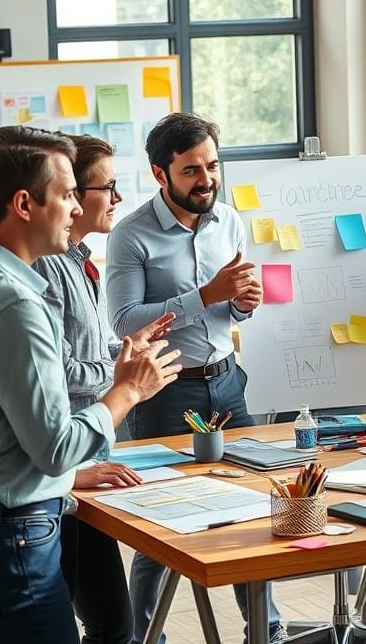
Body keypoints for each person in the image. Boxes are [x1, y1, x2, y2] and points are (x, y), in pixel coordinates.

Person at [0, 125, 182, 644]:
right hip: (6, 539)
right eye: (65, 195)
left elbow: (4, 428)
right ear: (24, 203)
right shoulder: (14, 303)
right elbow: (57, 448)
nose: (74, 209)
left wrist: (62, 479)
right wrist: (127, 390)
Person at [106, 112, 283, 644]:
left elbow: (234, 309)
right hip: (163, 391)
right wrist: (206, 296)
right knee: (160, 521)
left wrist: (244, 303)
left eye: (211, 165)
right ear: (161, 175)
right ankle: (143, 637)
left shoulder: (228, 220)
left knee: (253, 507)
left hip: (228, 382)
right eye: (190, 170)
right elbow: (124, 320)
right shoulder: (130, 235)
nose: (205, 178)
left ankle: (264, 628)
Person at [32, 134, 179, 644]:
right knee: (110, 623)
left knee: (110, 620)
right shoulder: (49, 266)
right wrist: (123, 378)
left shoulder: (78, 260)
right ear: (69, 192)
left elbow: (79, 354)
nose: (116, 199)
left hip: (82, 457)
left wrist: (124, 351)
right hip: (62, 462)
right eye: (106, 187)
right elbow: (57, 370)